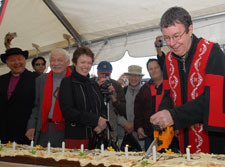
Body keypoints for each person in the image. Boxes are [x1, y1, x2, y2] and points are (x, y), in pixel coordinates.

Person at [150, 6, 225, 154]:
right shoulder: (169, 60)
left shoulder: (212, 52)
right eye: (167, 38)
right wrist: (163, 112)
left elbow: (213, 100)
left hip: (214, 141)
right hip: (184, 139)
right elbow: (168, 94)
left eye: (177, 36)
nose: (172, 43)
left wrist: (174, 116)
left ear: (190, 30)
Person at [58, 46, 107, 149]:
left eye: (89, 63)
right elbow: (68, 111)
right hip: (77, 137)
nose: (86, 66)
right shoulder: (67, 82)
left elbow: (102, 106)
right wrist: (96, 120)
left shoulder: (93, 84)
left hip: (96, 136)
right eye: (82, 62)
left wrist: (101, 123)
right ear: (75, 63)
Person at [25, 48, 71, 147]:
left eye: (60, 60)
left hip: (67, 130)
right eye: (53, 60)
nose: (55, 63)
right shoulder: (41, 80)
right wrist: (31, 126)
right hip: (44, 129)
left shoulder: (74, 80)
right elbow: (36, 106)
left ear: (68, 62)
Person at [0, 48, 36, 144]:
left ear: (25, 60)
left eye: (19, 59)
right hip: (4, 131)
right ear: (7, 63)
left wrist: (33, 126)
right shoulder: (1, 80)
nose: (16, 62)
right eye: (12, 60)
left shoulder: (35, 78)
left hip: (26, 130)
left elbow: (39, 106)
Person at [93, 61, 126, 146]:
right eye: (101, 74)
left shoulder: (116, 85)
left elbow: (122, 109)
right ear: (97, 72)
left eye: (107, 74)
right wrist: (96, 88)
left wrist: (113, 97)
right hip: (94, 124)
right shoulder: (91, 83)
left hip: (112, 126)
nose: (104, 77)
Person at [117, 65, 144, 150]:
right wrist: (125, 123)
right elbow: (116, 111)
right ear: (128, 76)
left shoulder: (145, 92)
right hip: (123, 135)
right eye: (131, 75)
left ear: (140, 77)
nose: (134, 78)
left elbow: (147, 112)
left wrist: (135, 125)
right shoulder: (122, 92)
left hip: (140, 136)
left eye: (137, 75)